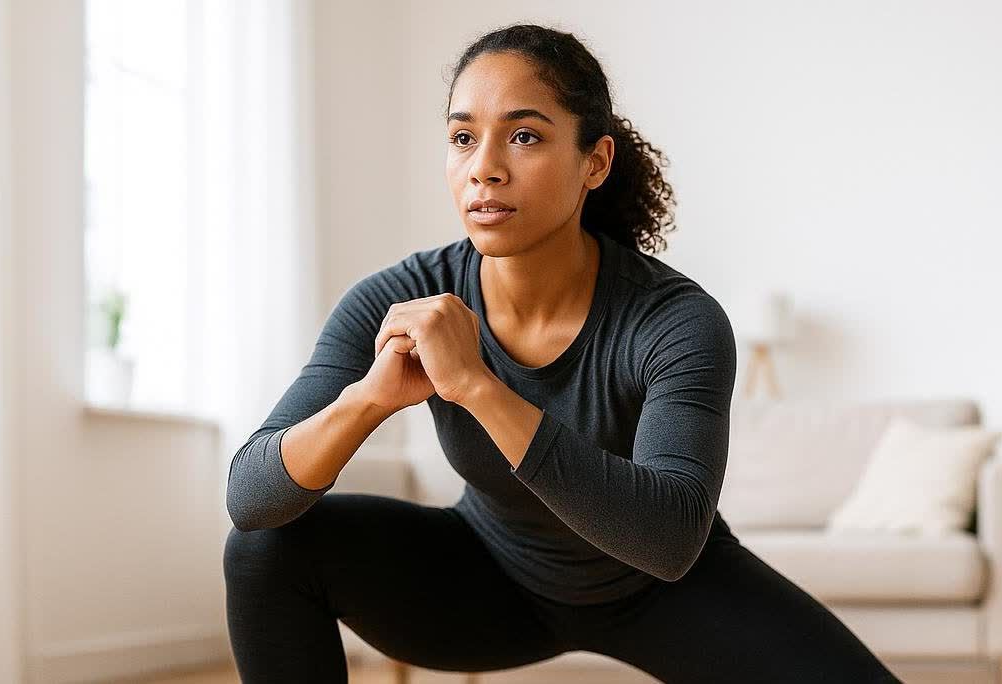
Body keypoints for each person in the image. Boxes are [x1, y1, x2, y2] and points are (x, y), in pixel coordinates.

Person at [221, 23, 902, 684]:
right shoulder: (403, 300)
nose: (484, 168)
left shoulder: (673, 320)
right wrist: (368, 399)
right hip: (491, 580)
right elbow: (251, 498)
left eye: (523, 136)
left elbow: (668, 541)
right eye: (463, 137)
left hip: (664, 591)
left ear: (594, 161)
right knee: (267, 549)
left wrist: (479, 388)